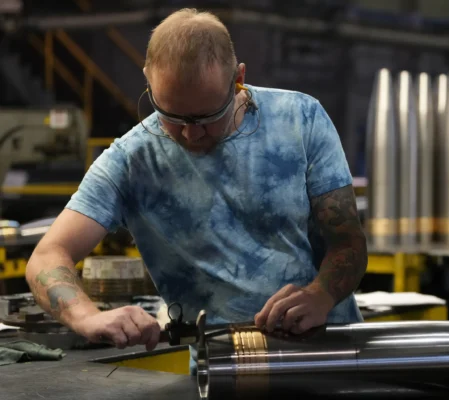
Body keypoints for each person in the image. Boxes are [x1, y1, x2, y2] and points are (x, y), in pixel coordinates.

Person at [24, 7, 368, 370]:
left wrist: (320, 295)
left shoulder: (300, 120)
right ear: (148, 80)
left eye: (207, 118)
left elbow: (348, 242)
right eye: (171, 116)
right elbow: (48, 256)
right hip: (221, 367)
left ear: (238, 78)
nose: (190, 134)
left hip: (327, 352)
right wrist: (87, 317)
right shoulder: (130, 161)